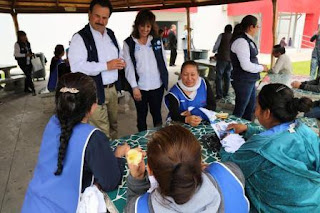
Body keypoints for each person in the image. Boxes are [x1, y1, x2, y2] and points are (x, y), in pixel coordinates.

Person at [21, 73, 130, 212]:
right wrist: (117, 156)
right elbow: (110, 181)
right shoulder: (93, 138)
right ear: (93, 107)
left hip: (33, 204)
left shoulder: (52, 123)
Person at [220, 83, 320, 212]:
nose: (255, 112)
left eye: (257, 107)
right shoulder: (306, 131)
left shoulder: (258, 149)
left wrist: (225, 139)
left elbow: (230, 166)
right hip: (313, 203)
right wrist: (248, 128)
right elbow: (279, 133)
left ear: (266, 113)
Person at [125, 125, 249, 213]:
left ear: (150, 171)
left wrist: (138, 178)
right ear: (201, 161)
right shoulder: (231, 172)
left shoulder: (138, 208)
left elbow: (133, 207)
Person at [68, 0, 125, 140]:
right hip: (94, 91)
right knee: (101, 130)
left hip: (112, 90)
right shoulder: (80, 37)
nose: (100, 21)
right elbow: (77, 67)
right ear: (89, 14)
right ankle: (106, 158)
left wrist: (122, 61)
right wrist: (106, 66)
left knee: (114, 125)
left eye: (104, 17)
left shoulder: (110, 34)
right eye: (97, 16)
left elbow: (119, 54)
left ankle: (113, 154)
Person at [123, 9, 168, 132]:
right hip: (140, 88)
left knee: (157, 115)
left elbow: (163, 60)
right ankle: (142, 143)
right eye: (142, 26)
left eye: (148, 26)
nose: (145, 29)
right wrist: (134, 87)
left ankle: (159, 140)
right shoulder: (129, 43)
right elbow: (129, 67)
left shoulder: (156, 40)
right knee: (141, 117)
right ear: (137, 25)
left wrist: (165, 80)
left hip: (156, 86)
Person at [230, 15, 268, 121]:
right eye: (257, 27)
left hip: (249, 80)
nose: (257, 29)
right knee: (240, 109)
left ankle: (245, 129)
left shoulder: (247, 40)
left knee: (250, 108)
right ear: (251, 27)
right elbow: (245, 65)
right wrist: (261, 68)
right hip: (242, 80)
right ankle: (230, 132)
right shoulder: (241, 41)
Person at [165, 61, 216, 127]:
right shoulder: (173, 93)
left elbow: (212, 106)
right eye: (185, 74)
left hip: (201, 121)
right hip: (179, 125)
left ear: (198, 74)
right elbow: (174, 115)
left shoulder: (204, 83)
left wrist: (194, 112)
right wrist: (187, 119)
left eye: (193, 74)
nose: (189, 78)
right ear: (181, 74)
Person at [212, 24, 233, 99]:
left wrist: (214, 51)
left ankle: (219, 94)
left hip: (222, 59)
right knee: (227, 76)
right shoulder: (234, 36)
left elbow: (216, 45)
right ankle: (226, 93)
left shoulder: (222, 35)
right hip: (230, 60)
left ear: (225, 29)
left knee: (219, 77)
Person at [14, 31, 36, 96]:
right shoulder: (17, 44)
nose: (24, 37)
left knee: (28, 75)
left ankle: (26, 89)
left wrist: (31, 54)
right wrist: (25, 55)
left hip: (29, 62)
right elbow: (16, 54)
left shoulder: (28, 43)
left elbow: (29, 51)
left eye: (25, 36)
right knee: (28, 75)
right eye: (22, 36)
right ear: (19, 37)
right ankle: (33, 89)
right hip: (22, 62)